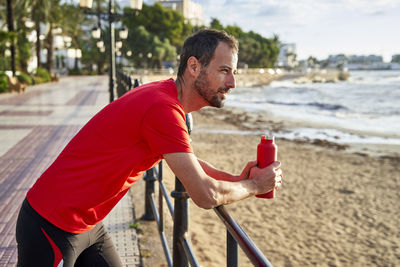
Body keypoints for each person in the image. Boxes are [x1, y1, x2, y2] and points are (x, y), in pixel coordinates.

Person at [16, 29, 282, 267]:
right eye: (225, 70)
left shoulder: (165, 97)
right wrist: (256, 187)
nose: (232, 83)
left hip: (87, 224)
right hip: (51, 223)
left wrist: (237, 179)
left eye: (234, 72)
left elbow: (189, 163)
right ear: (193, 66)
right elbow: (204, 195)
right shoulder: (162, 108)